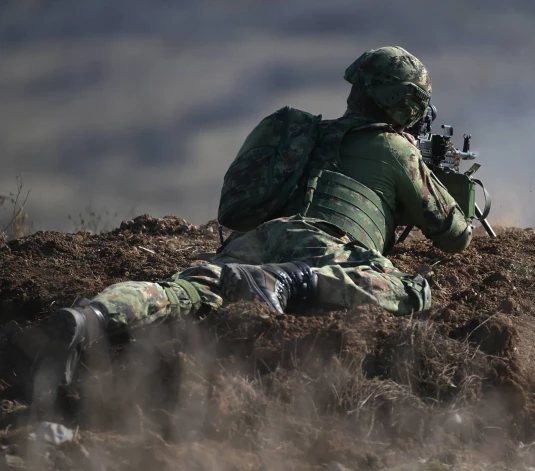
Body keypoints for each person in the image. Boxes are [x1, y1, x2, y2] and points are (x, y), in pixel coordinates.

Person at [13, 46, 473, 388]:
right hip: (326, 250)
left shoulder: (307, 136)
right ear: (404, 103)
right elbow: (454, 235)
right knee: (414, 289)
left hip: (257, 240)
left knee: (184, 288)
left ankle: (89, 315)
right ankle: (294, 282)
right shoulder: (394, 149)